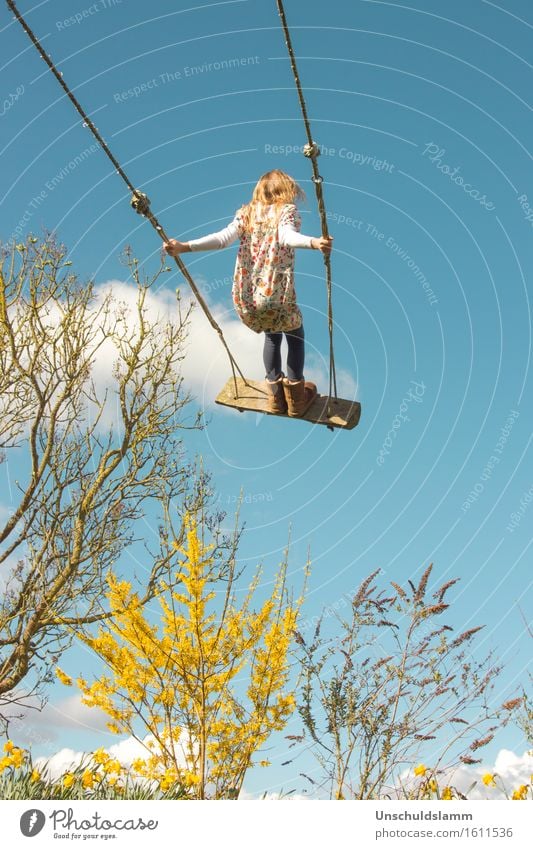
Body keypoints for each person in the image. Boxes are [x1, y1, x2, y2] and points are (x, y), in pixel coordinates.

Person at [164, 169, 333, 417]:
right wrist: (314, 242)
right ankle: (296, 397)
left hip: (248, 295)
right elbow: (286, 237)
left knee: (272, 336)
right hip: (275, 293)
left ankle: (276, 396)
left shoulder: (247, 214)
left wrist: (185, 247)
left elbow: (222, 239)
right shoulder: (285, 211)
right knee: (295, 334)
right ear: (285, 192)